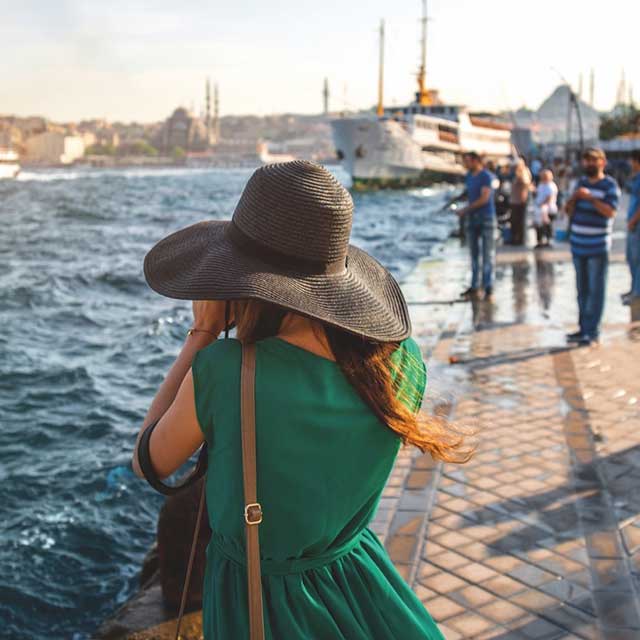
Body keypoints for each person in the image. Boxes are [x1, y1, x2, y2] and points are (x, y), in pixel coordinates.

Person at [131, 161, 470, 639]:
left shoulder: (228, 371)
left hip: (261, 606)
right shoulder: (400, 361)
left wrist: (203, 333)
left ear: (246, 280)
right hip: (360, 585)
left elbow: (149, 461)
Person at [565, 148, 620, 346]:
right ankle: (583, 329)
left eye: (593, 160)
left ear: (602, 162)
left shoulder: (609, 185)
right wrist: (574, 198)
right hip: (578, 245)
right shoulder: (580, 184)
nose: (589, 164)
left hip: (597, 247)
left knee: (596, 291)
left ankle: (592, 332)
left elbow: (610, 212)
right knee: (582, 290)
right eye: (586, 160)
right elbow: (568, 211)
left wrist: (591, 198)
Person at [457, 152, 498, 300]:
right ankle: (474, 287)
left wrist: (464, 210)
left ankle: (488, 288)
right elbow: (469, 193)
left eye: (467, 161)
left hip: (486, 219)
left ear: (475, 161)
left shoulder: (486, 176)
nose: (465, 164)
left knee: (488, 255)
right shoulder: (469, 176)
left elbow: (484, 199)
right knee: (473, 255)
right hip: (472, 219)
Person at [623, 150, 640, 305]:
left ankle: (637, 294)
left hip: (636, 224)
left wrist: (633, 221)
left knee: (637, 259)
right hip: (633, 223)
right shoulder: (636, 177)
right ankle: (634, 289)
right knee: (631, 258)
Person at [533, 169, 558, 248]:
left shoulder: (551, 186)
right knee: (539, 226)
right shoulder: (541, 184)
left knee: (547, 225)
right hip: (539, 208)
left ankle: (548, 240)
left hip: (548, 209)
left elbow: (549, 197)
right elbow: (538, 193)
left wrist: (542, 204)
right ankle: (540, 241)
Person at [509, 159, 533, 246]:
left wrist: (519, 174)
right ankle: (515, 237)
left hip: (520, 200)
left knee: (518, 221)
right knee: (514, 220)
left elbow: (526, 183)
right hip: (515, 200)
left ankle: (519, 239)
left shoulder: (523, 173)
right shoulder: (517, 173)